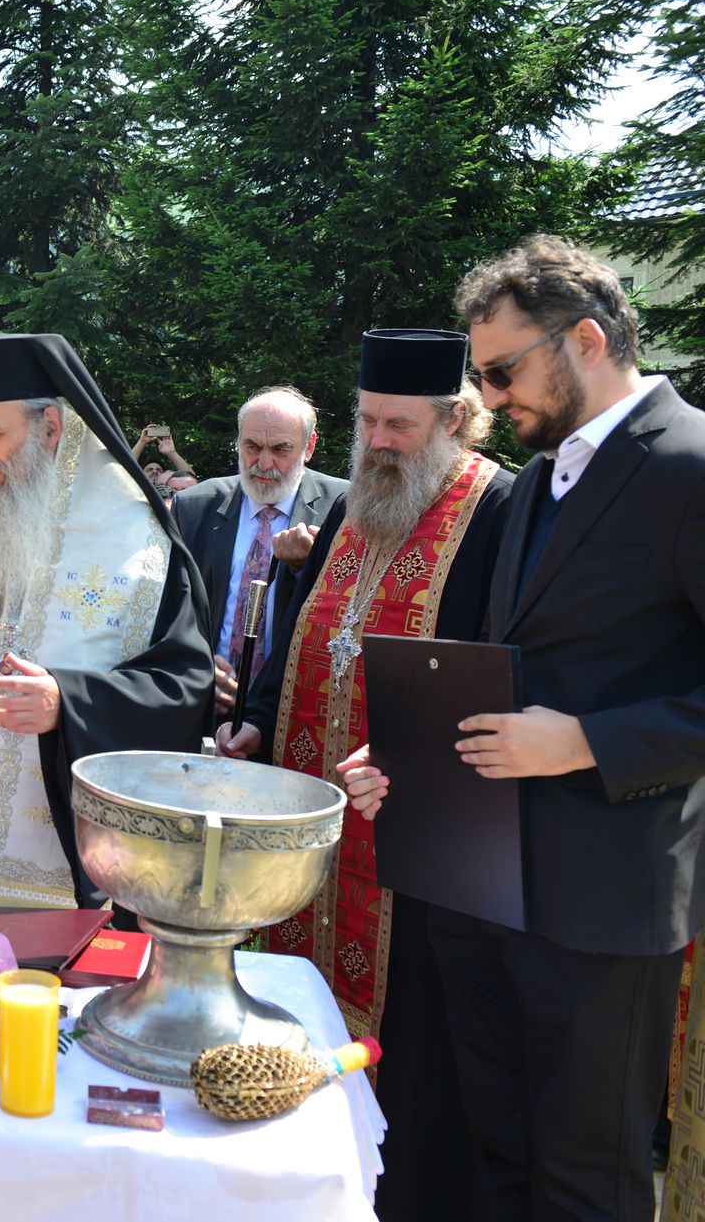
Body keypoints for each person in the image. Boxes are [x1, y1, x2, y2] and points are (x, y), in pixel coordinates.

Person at [337, 238, 705, 1220]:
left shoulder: (692, 465)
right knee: (498, 1160)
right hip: (482, 891)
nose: (489, 398)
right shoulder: (537, 479)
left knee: (586, 1181)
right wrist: (408, 755)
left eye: (501, 372)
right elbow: (497, 664)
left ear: (585, 341)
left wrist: (584, 741)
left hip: (603, 897)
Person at [217, 333, 513, 1222]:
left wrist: (412, 761)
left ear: (454, 421)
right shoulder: (356, 506)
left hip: (417, 834)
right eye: (369, 421)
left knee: (413, 1051)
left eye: (400, 424)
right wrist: (258, 721)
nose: (379, 441)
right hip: (311, 813)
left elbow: (500, 671)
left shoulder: (496, 507)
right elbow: (307, 636)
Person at [0, 333, 210, 910]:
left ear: (50, 430)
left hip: (70, 874)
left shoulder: (136, 539)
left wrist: (68, 702)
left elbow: (183, 687)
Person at [170, 386, 347, 729]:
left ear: (308, 448)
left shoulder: (344, 509)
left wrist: (308, 567)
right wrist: (196, 663)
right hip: (205, 711)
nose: (264, 464)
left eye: (281, 449)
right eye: (252, 447)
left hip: (294, 717)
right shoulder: (194, 507)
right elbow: (169, 609)